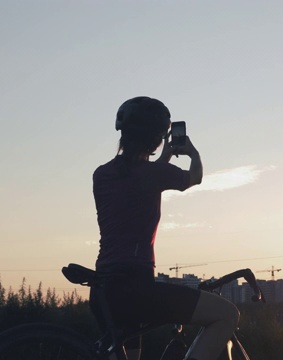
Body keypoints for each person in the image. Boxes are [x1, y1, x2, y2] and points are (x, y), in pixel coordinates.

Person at [89, 96, 239, 360]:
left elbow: (137, 180)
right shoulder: (151, 174)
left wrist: (166, 157)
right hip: (136, 290)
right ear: (156, 139)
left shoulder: (101, 174)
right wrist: (192, 152)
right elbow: (195, 176)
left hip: (104, 293)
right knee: (227, 315)